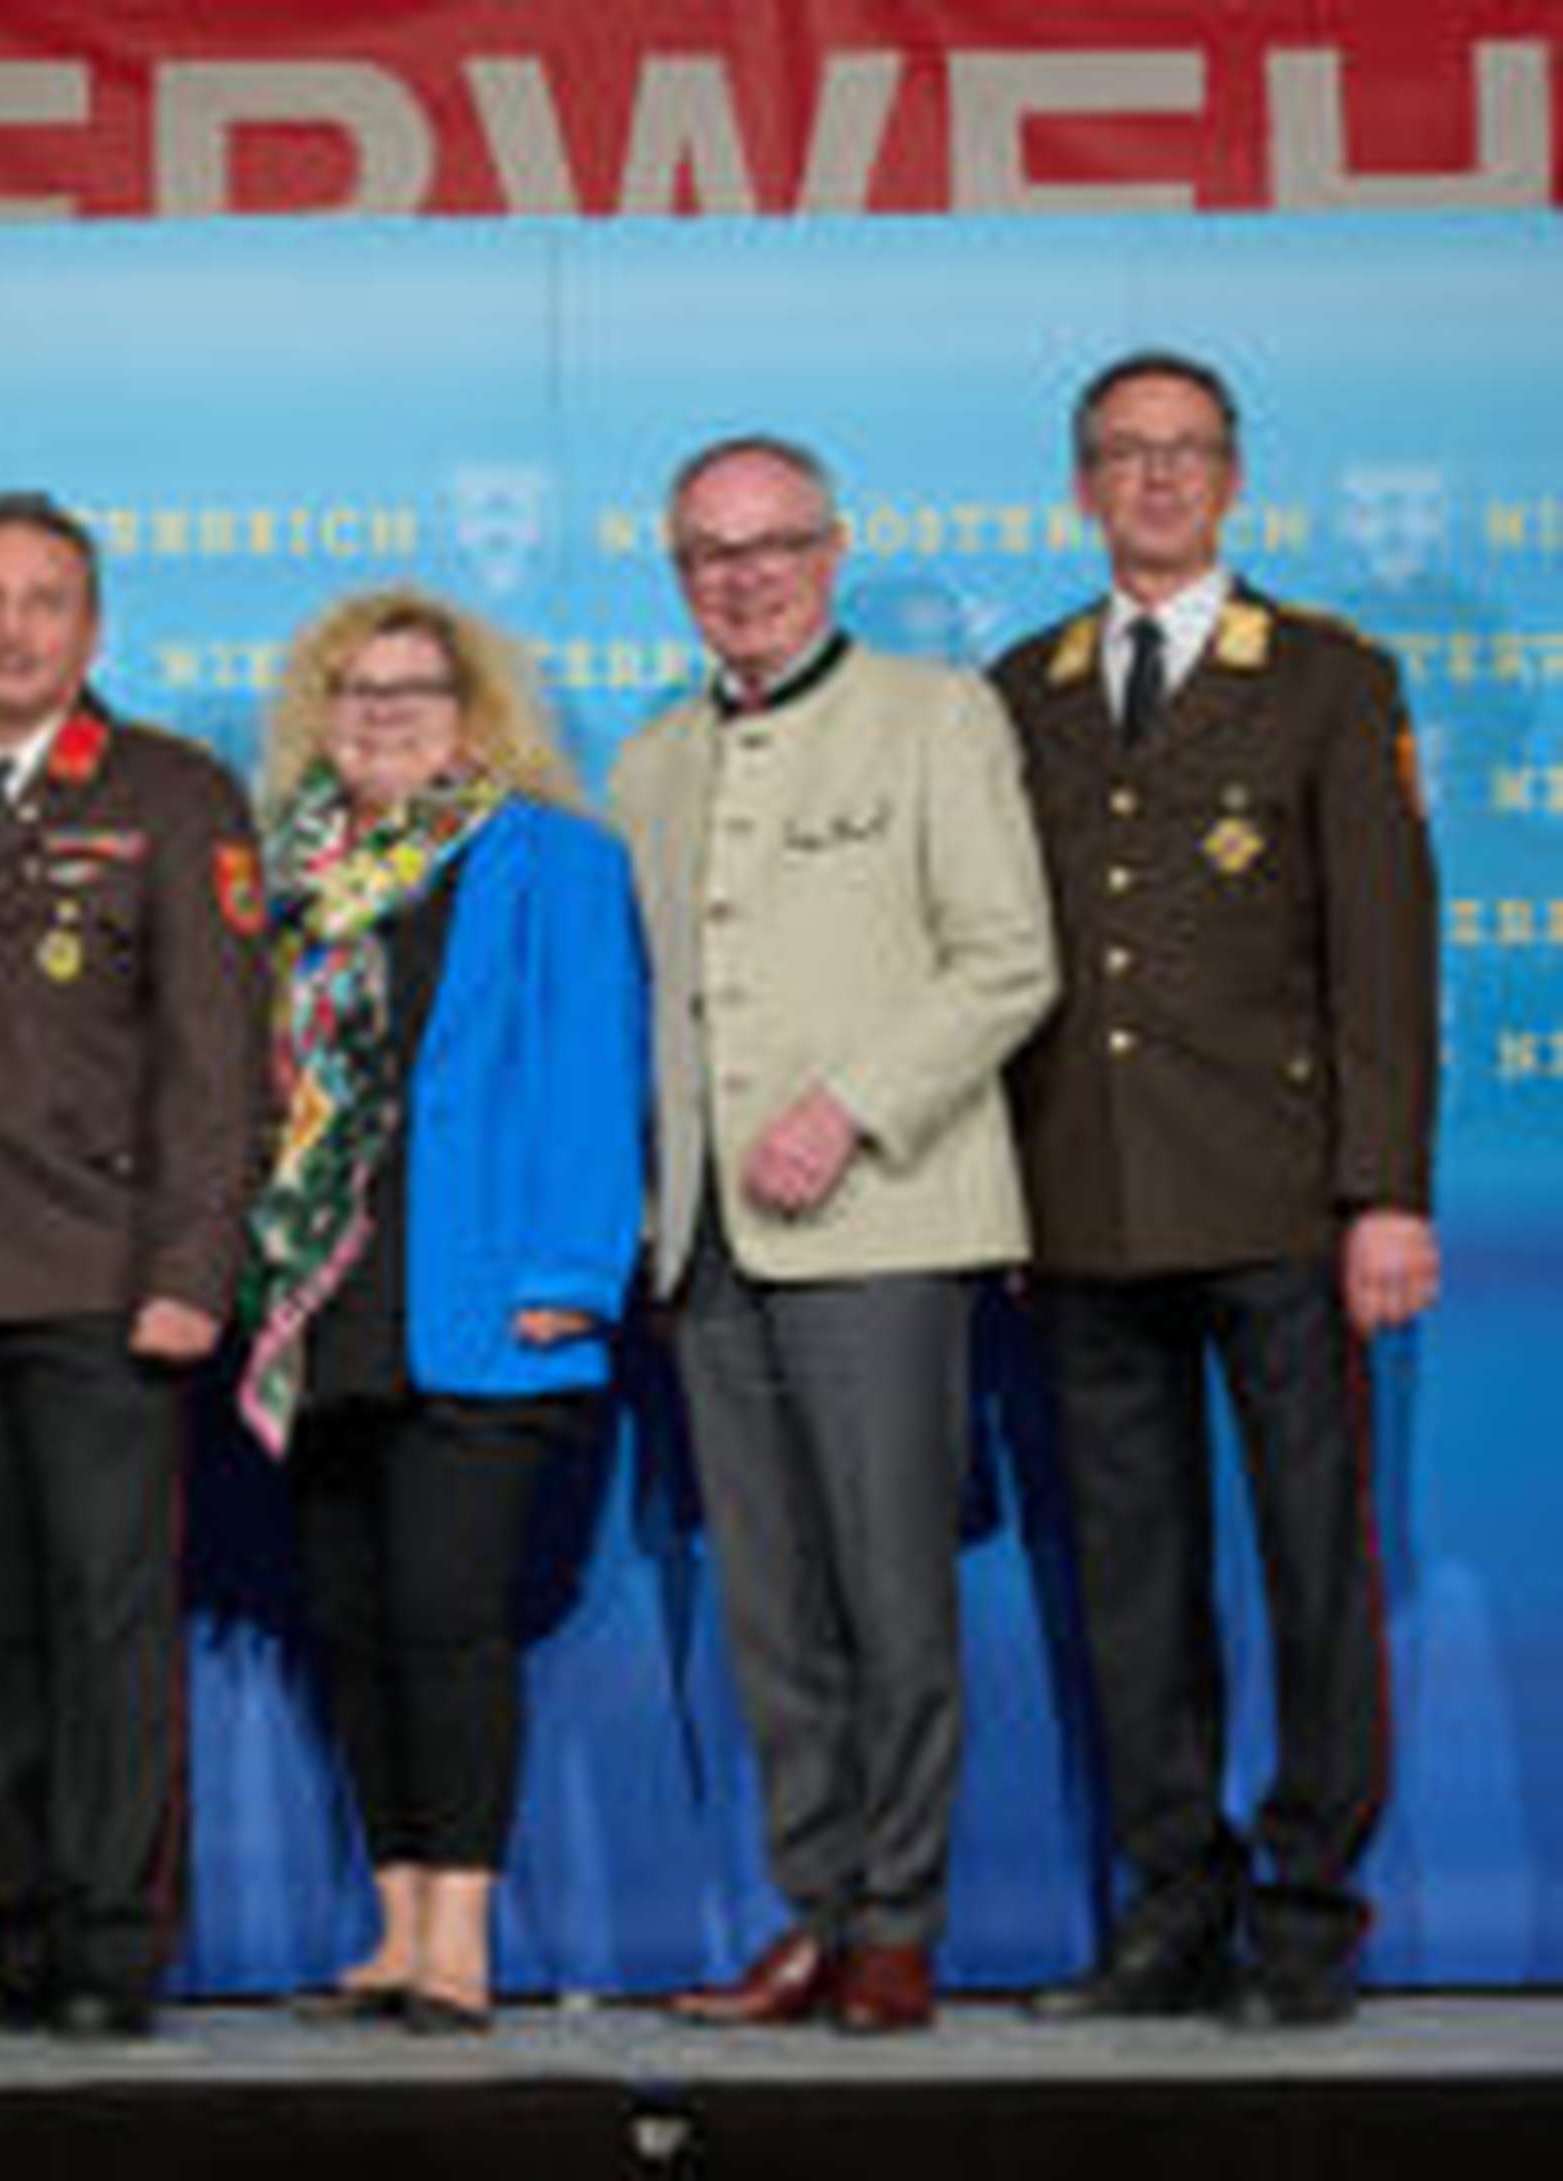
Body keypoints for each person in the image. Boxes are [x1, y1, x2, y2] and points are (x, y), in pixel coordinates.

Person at [995, 351, 1439, 2029]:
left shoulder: (1327, 677)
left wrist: (1384, 1189)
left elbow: (1382, 961)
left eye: (1187, 453)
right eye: (1125, 454)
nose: (1158, 481)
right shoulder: (1020, 686)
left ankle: (1308, 1914)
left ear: (1235, 479)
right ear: (1082, 488)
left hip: (1277, 1202)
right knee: (1130, 1580)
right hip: (1086, 1206)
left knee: (1315, 1565)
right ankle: (1169, 1907)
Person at [609, 435, 1057, 2034]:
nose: (742, 576)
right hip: (710, 1251)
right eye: (707, 555)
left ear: (834, 548)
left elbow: (1008, 962)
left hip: (880, 1220)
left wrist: (852, 1105)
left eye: (772, 544)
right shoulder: (650, 761)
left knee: (890, 1592)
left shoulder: (938, 716)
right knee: (774, 1610)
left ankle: (897, 1920)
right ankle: (808, 1912)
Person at [0, 491, 268, 2040]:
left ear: (92, 630)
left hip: (103, 1283)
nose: (12, 628)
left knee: (105, 1631)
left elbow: (217, 1066)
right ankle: (17, 1936)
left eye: (44, 602)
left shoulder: (168, 790)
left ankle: (111, 1945)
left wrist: (192, 1269)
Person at [232, 590, 645, 2033]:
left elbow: (597, 1079)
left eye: (414, 689)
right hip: (331, 1308)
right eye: (355, 689)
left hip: (487, 1305)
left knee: (448, 1616)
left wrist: (571, 1279)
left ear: (475, 711)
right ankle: (394, 1925)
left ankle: (463, 1935)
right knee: (351, 1619)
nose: (384, 711)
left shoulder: (554, 861)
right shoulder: (293, 878)